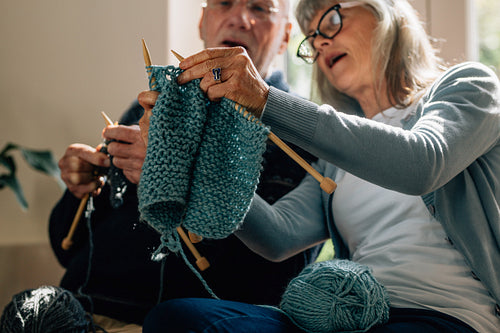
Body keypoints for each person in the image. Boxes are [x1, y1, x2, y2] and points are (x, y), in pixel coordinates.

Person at [138, 0, 500, 332]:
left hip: (447, 315)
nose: (319, 42)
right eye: (311, 37)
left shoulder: (468, 85)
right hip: (348, 317)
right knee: (176, 320)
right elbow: (279, 236)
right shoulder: (334, 159)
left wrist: (265, 100)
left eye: (331, 20)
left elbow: (422, 163)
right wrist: (195, 159)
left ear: (388, 14)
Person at [49, 0, 323, 330]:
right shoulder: (153, 108)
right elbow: (67, 248)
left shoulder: (298, 132)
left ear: (285, 36)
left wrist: (180, 174)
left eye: (260, 8)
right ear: (203, 21)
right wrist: (81, 191)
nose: (239, 19)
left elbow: (272, 282)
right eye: (224, 3)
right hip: (77, 307)